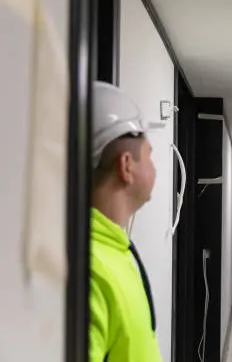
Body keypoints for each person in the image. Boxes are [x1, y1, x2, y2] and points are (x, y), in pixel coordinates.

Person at [89, 81, 162, 362]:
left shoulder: (114, 249)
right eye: (149, 155)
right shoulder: (90, 271)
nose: (154, 166)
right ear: (127, 166)